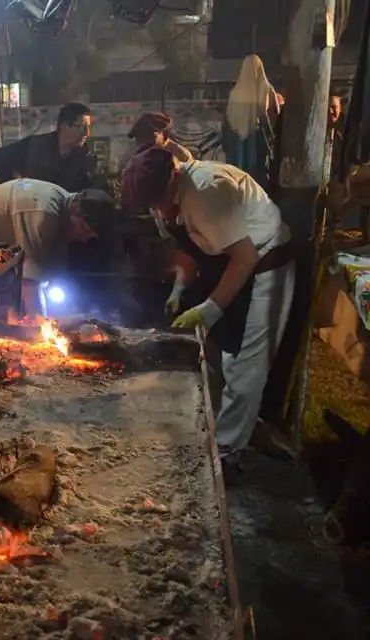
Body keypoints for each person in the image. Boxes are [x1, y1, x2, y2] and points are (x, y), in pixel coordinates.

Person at [122, 146, 296, 466]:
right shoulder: (165, 200)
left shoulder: (207, 192)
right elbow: (189, 246)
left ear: (173, 176)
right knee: (226, 358)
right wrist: (180, 286)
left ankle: (227, 455)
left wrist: (210, 309)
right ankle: (240, 424)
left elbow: (245, 257)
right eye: (151, 205)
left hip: (264, 263)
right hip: (228, 263)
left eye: (157, 199)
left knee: (247, 365)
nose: (156, 208)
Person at [0, 178, 114, 314]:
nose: (84, 239)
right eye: (84, 230)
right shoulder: (43, 214)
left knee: (5, 313)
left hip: (2, 252)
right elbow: (31, 281)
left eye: (90, 236)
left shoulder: (64, 205)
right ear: (75, 212)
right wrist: (43, 328)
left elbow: (53, 269)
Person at [0, 102, 101, 193]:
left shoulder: (87, 157)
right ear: (64, 126)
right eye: (81, 127)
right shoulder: (35, 146)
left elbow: (90, 191)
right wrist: (16, 191)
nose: (87, 133)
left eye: (89, 127)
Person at [221, 54, 280, 188]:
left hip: (236, 139)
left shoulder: (235, 92)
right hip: (258, 139)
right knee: (257, 177)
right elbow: (275, 115)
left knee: (236, 177)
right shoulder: (267, 90)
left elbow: (228, 117)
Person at [128, 112, 193, 163]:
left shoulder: (181, 156)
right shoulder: (132, 156)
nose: (140, 143)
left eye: (147, 137)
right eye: (138, 138)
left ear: (164, 135)